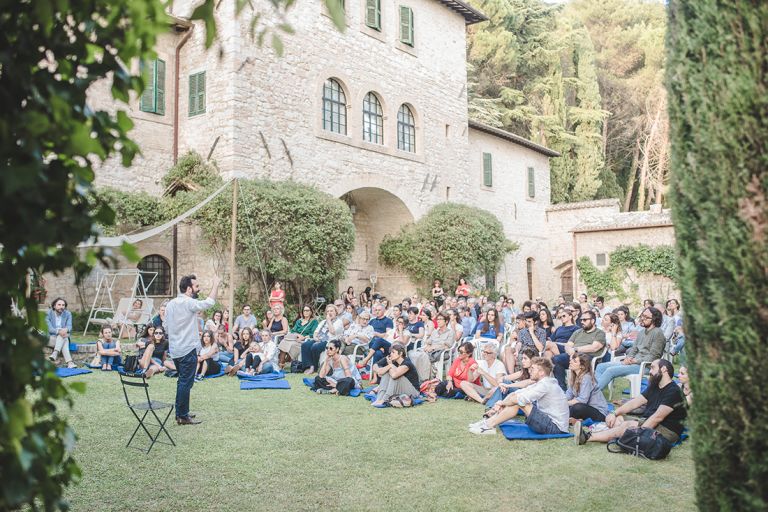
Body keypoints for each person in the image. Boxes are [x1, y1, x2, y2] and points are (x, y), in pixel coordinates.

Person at [576, 359, 687, 445]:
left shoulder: (674, 391)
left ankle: (587, 437)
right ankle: (618, 433)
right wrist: (614, 413)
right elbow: (634, 403)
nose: (650, 372)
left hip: (667, 430)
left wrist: (638, 433)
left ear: (663, 369)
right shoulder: (655, 386)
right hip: (650, 421)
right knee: (619, 418)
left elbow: (657, 418)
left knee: (628, 425)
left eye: (653, 368)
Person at [165, 274, 220, 426]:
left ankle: (181, 413)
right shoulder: (189, 302)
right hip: (187, 349)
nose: (198, 289)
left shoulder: (170, 304)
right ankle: (182, 416)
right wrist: (215, 284)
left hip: (175, 350)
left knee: (182, 381)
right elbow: (209, 303)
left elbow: (165, 327)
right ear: (189, 289)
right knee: (185, 382)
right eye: (196, 286)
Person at [469, 357, 569, 436]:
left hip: (555, 427)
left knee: (520, 402)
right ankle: (488, 422)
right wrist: (502, 403)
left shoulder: (545, 384)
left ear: (542, 372)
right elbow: (518, 393)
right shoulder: (542, 382)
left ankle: (488, 425)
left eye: (533, 369)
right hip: (549, 421)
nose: (530, 371)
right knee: (517, 399)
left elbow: (519, 399)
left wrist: (501, 403)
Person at [595, 307, 666, 390]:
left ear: (654, 319)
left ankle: (593, 395)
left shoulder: (658, 333)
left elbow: (654, 356)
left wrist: (636, 360)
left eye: (646, 317)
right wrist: (628, 358)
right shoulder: (642, 332)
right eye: (642, 316)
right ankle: (596, 394)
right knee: (600, 367)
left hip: (646, 366)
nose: (642, 318)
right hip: (633, 363)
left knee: (610, 370)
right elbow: (634, 349)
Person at [552, 310, 607, 390]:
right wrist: (570, 351)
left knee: (577, 360)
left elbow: (594, 347)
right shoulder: (578, 332)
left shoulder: (599, 333)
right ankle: (562, 388)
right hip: (573, 355)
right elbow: (568, 345)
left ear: (592, 321)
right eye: (581, 320)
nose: (582, 322)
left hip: (588, 356)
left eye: (585, 320)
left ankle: (580, 389)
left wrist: (576, 349)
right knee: (556, 359)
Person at [300, 305, 344, 374]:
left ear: (336, 312)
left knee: (315, 347)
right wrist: (315, 338)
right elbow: (316, 332)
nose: (329, 313)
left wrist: (329, 321)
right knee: (305, 345)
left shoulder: (339, 322)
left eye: (331, 311)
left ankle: (314, 367)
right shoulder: (323, 322)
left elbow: (332, 331)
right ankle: (309, 366)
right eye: (328, 311)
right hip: (319, 339)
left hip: (330, 341)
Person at [566, 353, 609, 422]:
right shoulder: (575, 377)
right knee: (566, 407)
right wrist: (560, 401)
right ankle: (573, 420)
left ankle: (570, 418)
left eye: (574, 361)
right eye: (571, 360)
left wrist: (565, 404)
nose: (570, 362)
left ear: (582, 366)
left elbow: (583, 400)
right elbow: (569, 394)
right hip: (586, 408)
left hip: (599, 412)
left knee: (577, 407)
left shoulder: (586, 378)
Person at [355, 304, 393, 369]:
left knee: (378, 346)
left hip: (382, 342)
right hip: (370, 343)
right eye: (376, 310)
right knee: (377, 352)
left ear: (384, 311)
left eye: (379, 310)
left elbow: (388, 335)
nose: (377, 311)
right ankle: (368, 371)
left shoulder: (388, 320)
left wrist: (376, 334)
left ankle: (369, 368)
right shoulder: (372, 320)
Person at [46, 297, 76, 368]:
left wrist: (66, 330)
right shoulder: (48, 313)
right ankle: (70, 363)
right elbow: (49, 329)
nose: (61, 307)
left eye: (63, 305)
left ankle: (55, 353)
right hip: (50, 338)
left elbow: (69, 327)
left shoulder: (68, 314)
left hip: (62, 337)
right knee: (64, 337)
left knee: (63, 337)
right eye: (59, 305)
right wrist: (59, 331)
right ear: (54, 306)